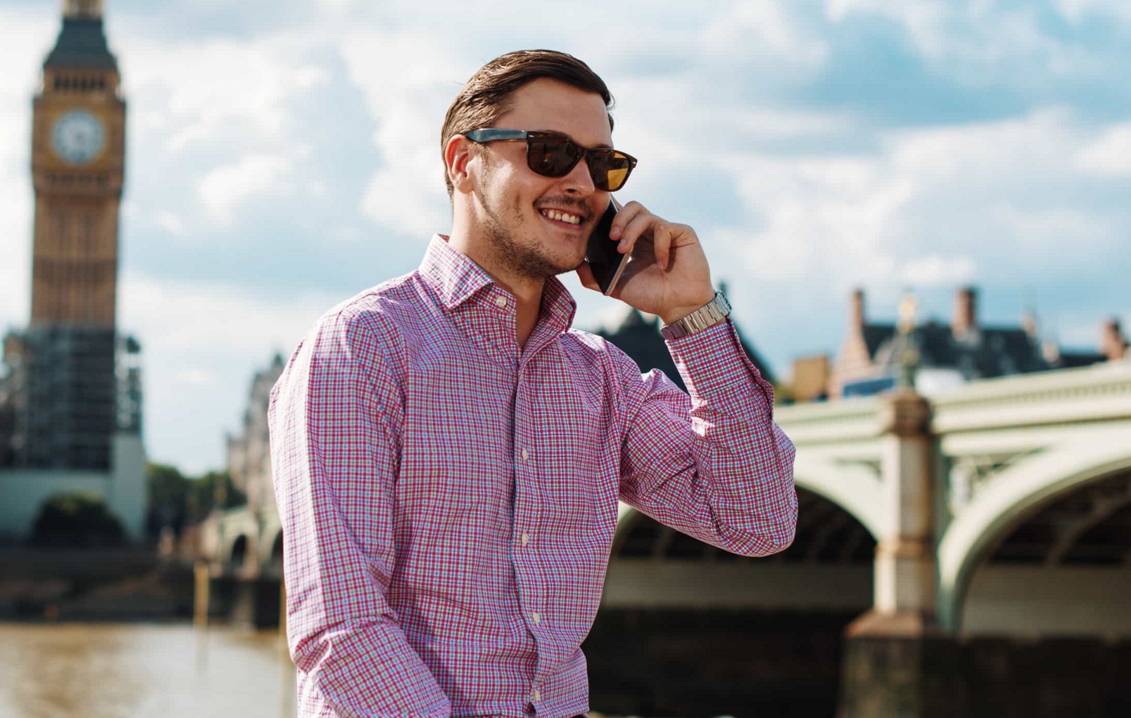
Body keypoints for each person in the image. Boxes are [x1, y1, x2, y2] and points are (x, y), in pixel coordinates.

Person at [269, 49, 798, 718]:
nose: (581, 182)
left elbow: (756, 521)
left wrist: (693, 313)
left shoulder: (604, 379)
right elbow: (341, 632)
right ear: (464, 162)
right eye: (549, 152)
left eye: (603, 164)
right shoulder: (359, 349)